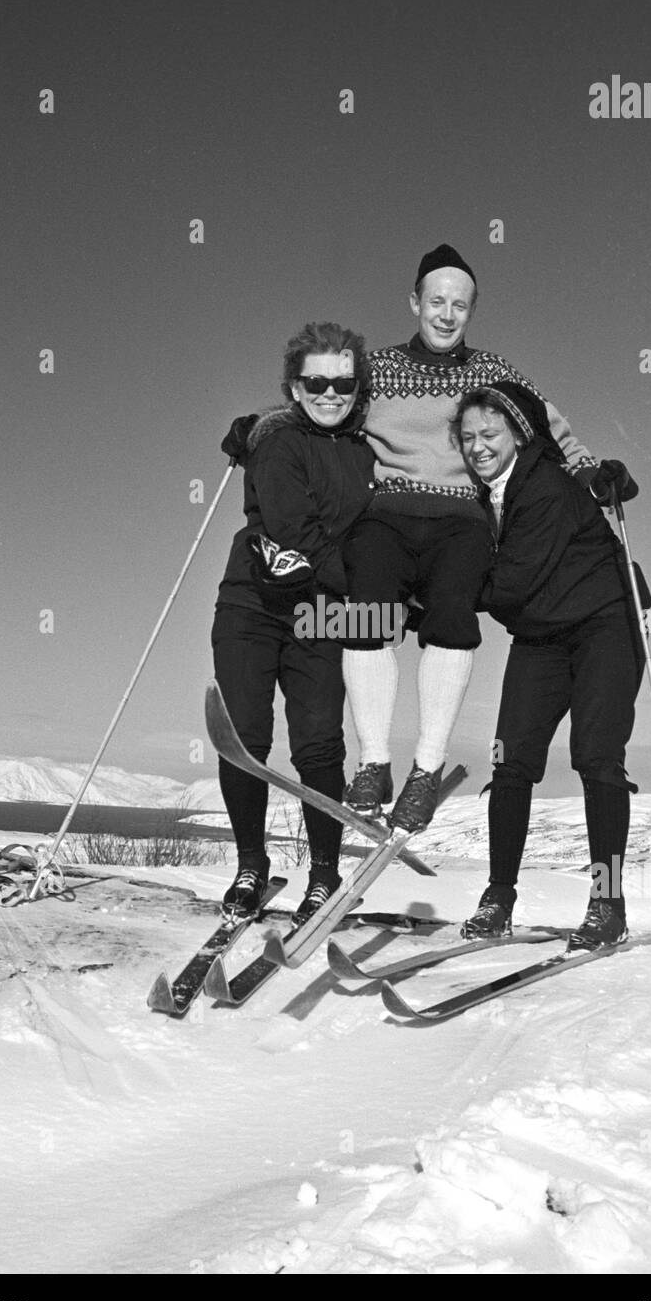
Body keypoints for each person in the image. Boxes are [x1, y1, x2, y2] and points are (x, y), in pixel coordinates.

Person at [341, 243, 637, 833]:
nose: (447, 315)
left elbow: (549, 424)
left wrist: (588, 469)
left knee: (452, 616)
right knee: (367, 615)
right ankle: (374, 762)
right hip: (389, 514)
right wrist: (267, 429)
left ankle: (425, 771)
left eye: (460, 305)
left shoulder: (493, 373)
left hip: (461, 519)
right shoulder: (374, 370)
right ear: (415, 303)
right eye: (436, 302)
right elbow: (317, 403)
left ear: (470, 312)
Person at [450, 381, 651, 951]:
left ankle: (607, 904)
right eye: (467, 438)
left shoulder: (545, 487)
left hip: (603, 623)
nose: (478, 446)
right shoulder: (479, 495)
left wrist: (440, 603)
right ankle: (498, 897)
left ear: (516, 433)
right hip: (539, 637)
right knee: (510, 762)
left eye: (489, 434)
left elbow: (510, 583)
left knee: (597, 758)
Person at [212, 322, 375, 920]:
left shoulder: (367, 452)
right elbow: (291, 530)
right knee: (245, 741)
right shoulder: (277, 444)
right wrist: (365, 581)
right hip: (251, 605)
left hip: (319, 614)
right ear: (295, 387)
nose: (331, 393)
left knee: (319, 745)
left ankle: (324, 876)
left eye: (345, 382)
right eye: (317, 381)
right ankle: (251, 866)